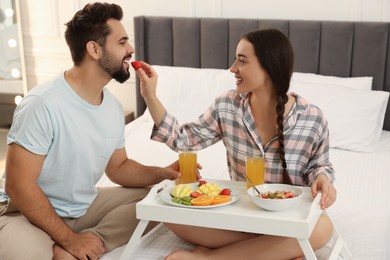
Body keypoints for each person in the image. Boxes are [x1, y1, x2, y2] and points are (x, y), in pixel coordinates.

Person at [0, 3, 182, 260]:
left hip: (80, 208)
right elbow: (18, 186)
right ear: (94, 49)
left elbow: (118, 168)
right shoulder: (42, 104)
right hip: (23, 213)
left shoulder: (111, 107)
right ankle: (65, 244)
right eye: (122, 42)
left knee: (157, 201)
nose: (130, 50)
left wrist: (164, 173)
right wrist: (70, 239)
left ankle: (91, 243)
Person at [135, 28, 337, 259]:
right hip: (243, 215)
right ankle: (277, 249)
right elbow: (184, 140)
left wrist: (322, 179)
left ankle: (209, 256)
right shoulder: (227, 105)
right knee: (168, 213)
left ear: (269, 67)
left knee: (322, 228)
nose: (232, 69)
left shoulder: (312, 117)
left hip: (291, 215)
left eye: (242, 61)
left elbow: (320, 166)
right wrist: (150, 96)